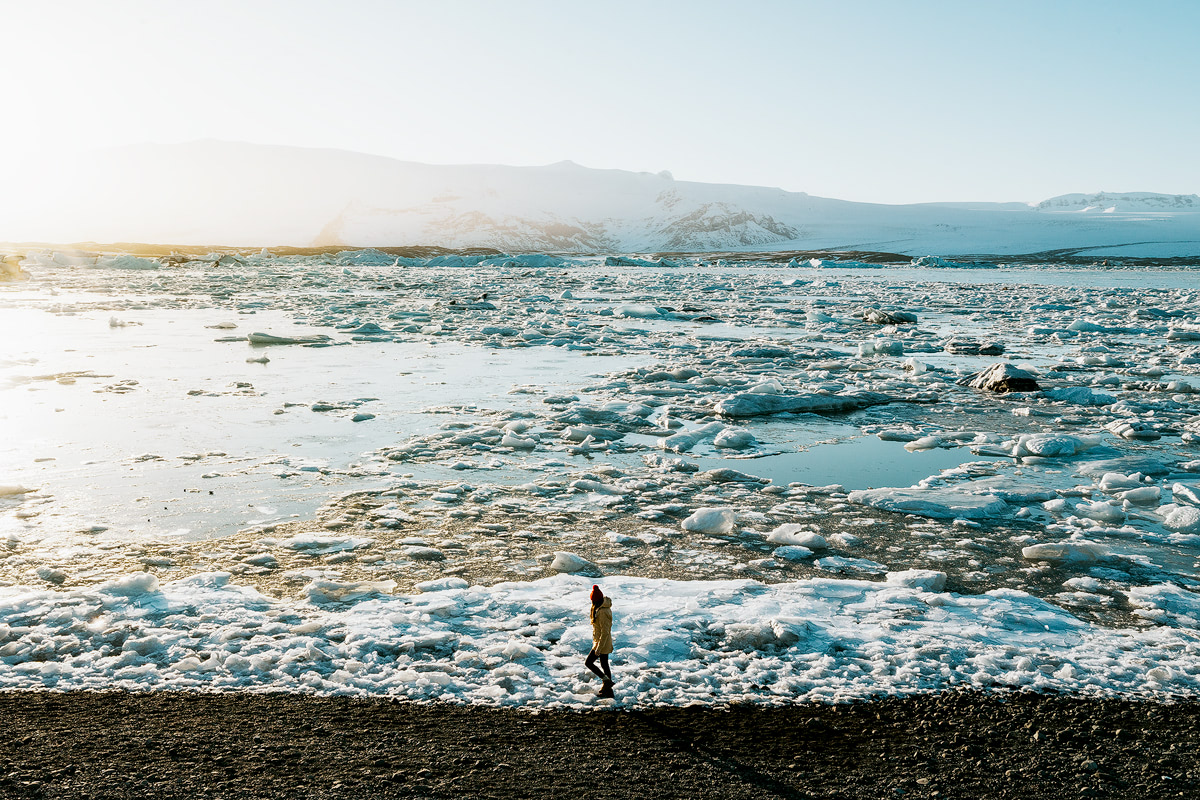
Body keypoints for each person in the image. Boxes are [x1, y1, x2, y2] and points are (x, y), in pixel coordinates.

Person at [585, 584, 614, 698]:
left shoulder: (602, 612)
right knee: (604, 664)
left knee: (589, 663)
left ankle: (606, 682)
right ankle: (608, 690)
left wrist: (598, 648)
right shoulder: (599, 608)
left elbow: (605, 632)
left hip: (602, 643)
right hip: (600, 641)